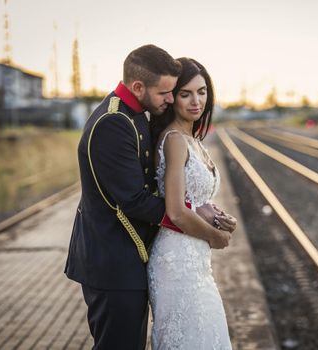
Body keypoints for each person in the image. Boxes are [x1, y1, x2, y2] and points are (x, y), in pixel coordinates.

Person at [64, 45, 232, 350]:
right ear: (138, 86)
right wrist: (198, 219)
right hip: (111, 260)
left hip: (131, 257)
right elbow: (134, 200)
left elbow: (157, 186)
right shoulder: (113, 122)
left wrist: (202, 208)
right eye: (166, 93)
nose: (170, 100)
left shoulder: (137, 114)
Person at [148, 57, 236, 349]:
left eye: (201, 92)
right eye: (186, 94)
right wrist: (216, 237)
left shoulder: (195, 140)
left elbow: (197, 201)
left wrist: (221, 219)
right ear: (172, 98)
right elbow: (175, 210)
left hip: (196, 261)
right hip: (176, 262)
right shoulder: (174, 140)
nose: (196, 101)